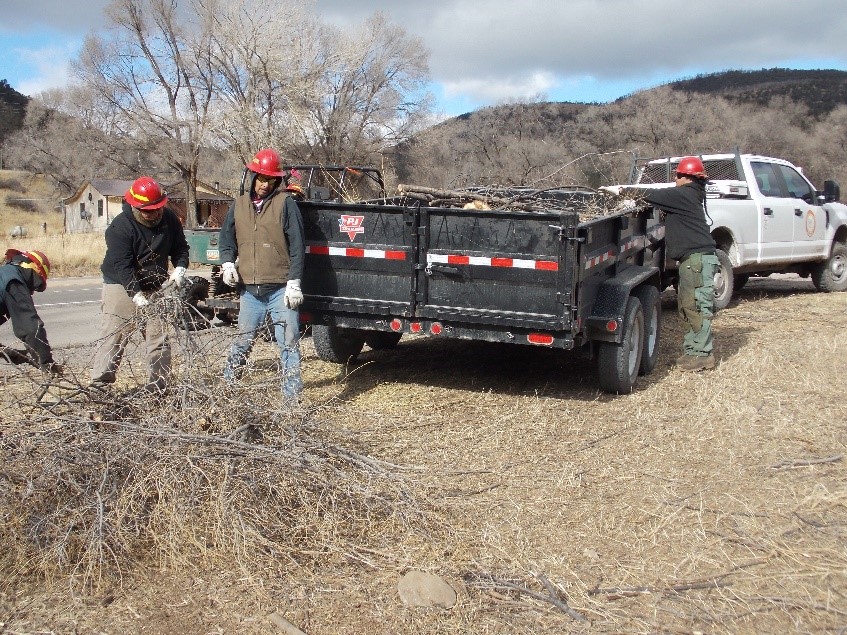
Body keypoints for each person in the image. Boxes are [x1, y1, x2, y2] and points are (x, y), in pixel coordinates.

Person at [601, 156, 718, 371]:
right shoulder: (690, 195)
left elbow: (651, 195)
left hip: (697, 260)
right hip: (695, 260)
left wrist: (620, 190)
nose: (675, 178)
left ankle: (702, 355)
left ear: (686, 177)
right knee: (688, 306)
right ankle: (694, 351)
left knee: (696, 306)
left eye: (678, 175)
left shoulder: (683, 195)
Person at [219, 148, 305, 400]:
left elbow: (298, 246)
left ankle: (291, 398)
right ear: (251, 176)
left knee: (288, 342)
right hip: (250, 291)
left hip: (280, 288)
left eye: (270, 180)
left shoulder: (286, 204)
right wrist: (227, 263)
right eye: (260, 178)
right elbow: (226, 239)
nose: (264, 184)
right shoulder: (239, 205)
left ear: (278, 180)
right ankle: (228, 390)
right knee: (242, 343)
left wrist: (294, 282)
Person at [90, 176, 190, 390]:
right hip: (121, 284)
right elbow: (122, 266)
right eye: (148, 210)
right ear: (135, 206)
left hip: (155, 284)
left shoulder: (169, 219)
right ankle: (100, 383)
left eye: (157, 209)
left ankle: (159, 385)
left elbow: (181, 247)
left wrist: (180, 267)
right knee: (114, 334)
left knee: (158, 337)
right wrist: (135, 295)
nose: (154, 214)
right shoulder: (120, 228)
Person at [0, 249, 62, 375]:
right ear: (35, 270)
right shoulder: (13, 281)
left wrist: (15, 355)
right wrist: (47, 364)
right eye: (36, 285)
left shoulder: (4, 275)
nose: (32, 291)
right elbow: (30, 327)